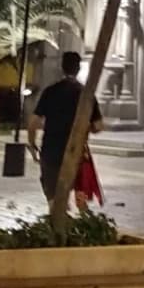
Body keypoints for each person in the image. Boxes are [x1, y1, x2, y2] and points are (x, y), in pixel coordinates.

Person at [27, 51, 102, 210]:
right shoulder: (86, 94)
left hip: (51, 151)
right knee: (80, 195)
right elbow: (98, 125)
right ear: (78, 69)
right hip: (76, 152)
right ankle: (85, 227)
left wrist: (32, 144)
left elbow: (33, 122)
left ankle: (58, 222)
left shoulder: (50, 91)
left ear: (62, 67)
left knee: (53, 197)